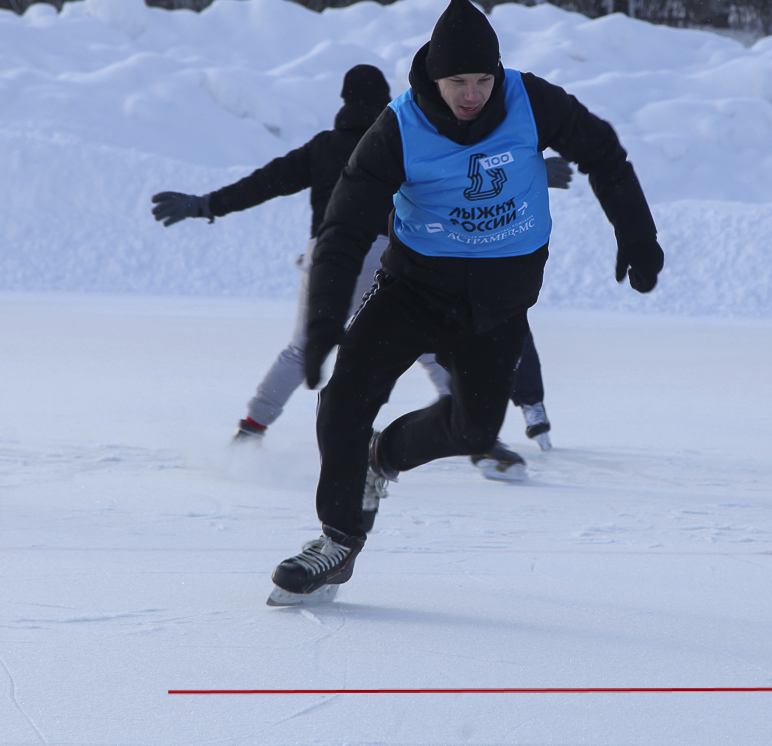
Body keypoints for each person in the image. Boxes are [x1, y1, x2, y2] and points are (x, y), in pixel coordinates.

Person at [267, 0, 662, 605]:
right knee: (344, 396)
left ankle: (385, 456)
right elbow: (345, 228)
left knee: (474, 429)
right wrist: (323, 319)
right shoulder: (398, 127)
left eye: (483, 79)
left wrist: (638, 235)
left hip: (500, 301)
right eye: (458, 82)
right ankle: (338, 539)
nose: (473, 94)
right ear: (433, 77)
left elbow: (603, 152)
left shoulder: (531, 100)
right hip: (414, 288)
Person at [150, 63, 562, 466]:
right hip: (391, 255)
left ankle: (251, 429)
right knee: (431, 347)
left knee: (301, 348)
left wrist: (205, 204)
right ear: (385, 97)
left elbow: (262, 183)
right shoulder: (402, 137)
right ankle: (476, 437)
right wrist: (536, 169)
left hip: (331, 256)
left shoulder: (322, 147)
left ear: (344, 100)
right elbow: (462, 173)